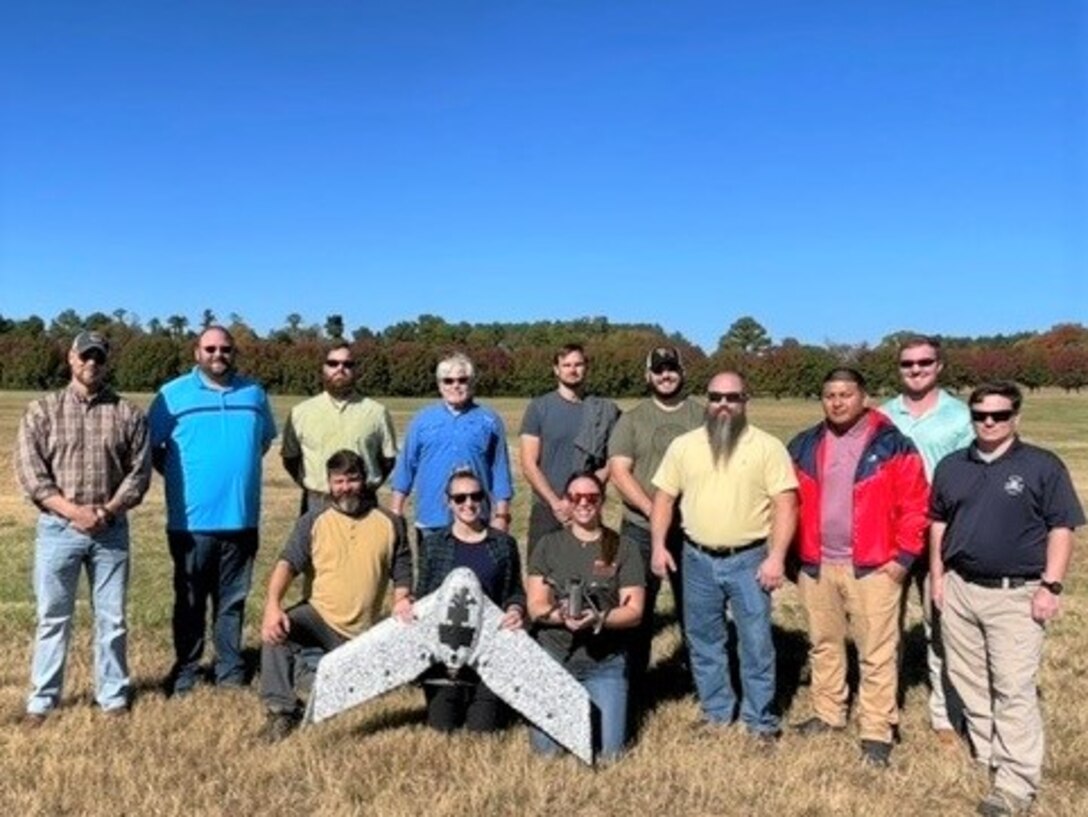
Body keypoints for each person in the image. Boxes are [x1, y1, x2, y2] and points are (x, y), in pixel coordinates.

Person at [930, 382, 1083, 816]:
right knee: (969, 680)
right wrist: (938, 579)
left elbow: (1061, 528)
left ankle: (1016, 782)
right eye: (980, 415)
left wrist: (1050, 587)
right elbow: (938, 523)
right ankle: (990, 755)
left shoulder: (1042, 466)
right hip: (960, 587)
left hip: (1016, 593)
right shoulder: (951, 466)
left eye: (999, 415)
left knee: (1013, 688)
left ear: (1017, 417)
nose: (990, 423)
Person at [788, 367, 928, 767]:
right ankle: (829, 712)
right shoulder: (804, 444)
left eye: (845, 394)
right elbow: (786, 502)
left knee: (876, 650)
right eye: (829, 394)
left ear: (863, 397)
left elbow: (916, 505)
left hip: (874, 566)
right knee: (825, 643)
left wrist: (902, 559)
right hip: (818, 564)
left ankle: (876, 729)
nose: (837, 402)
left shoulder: (893, 445)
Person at [651, 370, 798, 744]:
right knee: (703, 641)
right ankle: (717, 712)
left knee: (756, 643)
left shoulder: (767, 447)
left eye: (732, 398)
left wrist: (776, 556)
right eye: (716, 397)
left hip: (749, 559)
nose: (723, 405)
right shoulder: (685, 446)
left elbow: (786, 504)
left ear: (745, 402)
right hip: (696, 558)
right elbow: (664, 499)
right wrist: (658, 546)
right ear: (707, 401)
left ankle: (760, 720)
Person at [15, 331, 151, 724]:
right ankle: (43, 700)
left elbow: (138, 475)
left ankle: (113, 698)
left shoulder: (127, 414)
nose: (91, 363)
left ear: (106, 362)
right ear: (71, 359)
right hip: (58, 530)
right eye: (84, 356)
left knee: (112, 618)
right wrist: (73, 512)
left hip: (110, 531)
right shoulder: (43, 410)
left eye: (99, 357)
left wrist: (106, 511)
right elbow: (31, 474)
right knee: (53, 617)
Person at [149, 325, 277, 695]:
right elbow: (154, 450)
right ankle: (186, 672)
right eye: (210, 348)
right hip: (191, 523)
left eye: (225, 349)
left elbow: (262, 442)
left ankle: (230, 671)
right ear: (196, 352)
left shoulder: (253, 394)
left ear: (233, 352)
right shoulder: (172, 396)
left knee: (232, 602)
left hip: (242, 519)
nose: (218, 355)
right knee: (190, 602)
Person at [257, 450, 413, 741]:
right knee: (276, 633)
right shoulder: (313, 521)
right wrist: (272, 606)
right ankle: (280, 710)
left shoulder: (390, 522)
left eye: (352, 480)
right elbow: (287, 563)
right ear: (329, 484)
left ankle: (312, 678)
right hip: (319, 617)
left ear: (364, 480)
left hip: (365, 631)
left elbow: (402, 569)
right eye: (338, 481)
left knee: (368, 691)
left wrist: (402, 598)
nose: (345, 488)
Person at [880, 334, 974, 744]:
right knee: (883, 626)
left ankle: (945, 714)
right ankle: (884, 708)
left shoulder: (960, 416)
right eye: (907, 364)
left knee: (942, 625)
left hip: (942, 533)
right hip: (891, 533)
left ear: (939, 366)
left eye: (923, 363)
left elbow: (971, 477)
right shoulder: (882, 415)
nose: (915, 370)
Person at [526, 473, 645, 762]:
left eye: (591, 497)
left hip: (605, 664)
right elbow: (536, 606)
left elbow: (634, 612)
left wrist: (598, 618)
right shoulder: (548, 545)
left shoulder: (623, 547)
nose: (583, 504)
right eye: (575, 497)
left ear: (602, 501)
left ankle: (591, 712)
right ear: (566, 501)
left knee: (610, 756)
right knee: (548, 755)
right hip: (556, 660)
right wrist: (560, 616)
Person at [609, 345, 703, 691]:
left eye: (672, 368)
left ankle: (701, 682)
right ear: (648, 375)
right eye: (659, 369)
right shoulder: (632, 420)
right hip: (640, 530)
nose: (666, 375)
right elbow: (620, 472)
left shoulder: (702, 416)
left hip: (693, 531)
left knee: (696, 609)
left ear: (682, 372)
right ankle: (633, 683)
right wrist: (655, 512)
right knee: (637, 609)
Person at [414, 468, 526, 733]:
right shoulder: (433, 545)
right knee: (443, 728)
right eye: (460, 498)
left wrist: (515, 608)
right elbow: (423, 596)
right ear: (448, 502)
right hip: (445, 653)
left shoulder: (503, 544)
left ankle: (496, 698)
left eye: (475, 496)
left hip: (489, 649)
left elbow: (515, 591)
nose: (469, 503)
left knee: (482, 731)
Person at [390, 353, 514, 545]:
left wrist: (502, 514)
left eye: (462, 380)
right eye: (448, 381)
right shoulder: (422, 420)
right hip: (432, 520)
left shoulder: (489, 420)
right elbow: (406, 467)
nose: (455, 386)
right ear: (440, 385)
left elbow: (500, 470)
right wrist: (396, 511)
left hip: (476, 517)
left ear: (471, 382)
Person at [520, 343, 620, 555]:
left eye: (578, 364)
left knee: (588, 576)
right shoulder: (539, 407)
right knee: (541, 576)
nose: (572, 370)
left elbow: (612, 461)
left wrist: (583, 495)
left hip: (587, 506)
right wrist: (556, 503)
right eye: (566, 365)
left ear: (586, 367)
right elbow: (528, 463)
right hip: (547, 507)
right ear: (556, 369)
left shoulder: (603, 411)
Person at [281, 341, 397, 514]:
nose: (340, 368)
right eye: (333, 363)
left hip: (363, 501)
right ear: (323, 368)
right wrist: (315, 485)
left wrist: (364, 486)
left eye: (347, 364)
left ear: (356, 370)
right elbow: (291, 459)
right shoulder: (300, 413)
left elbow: (387, 460)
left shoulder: (377, 412)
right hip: (318, 502)